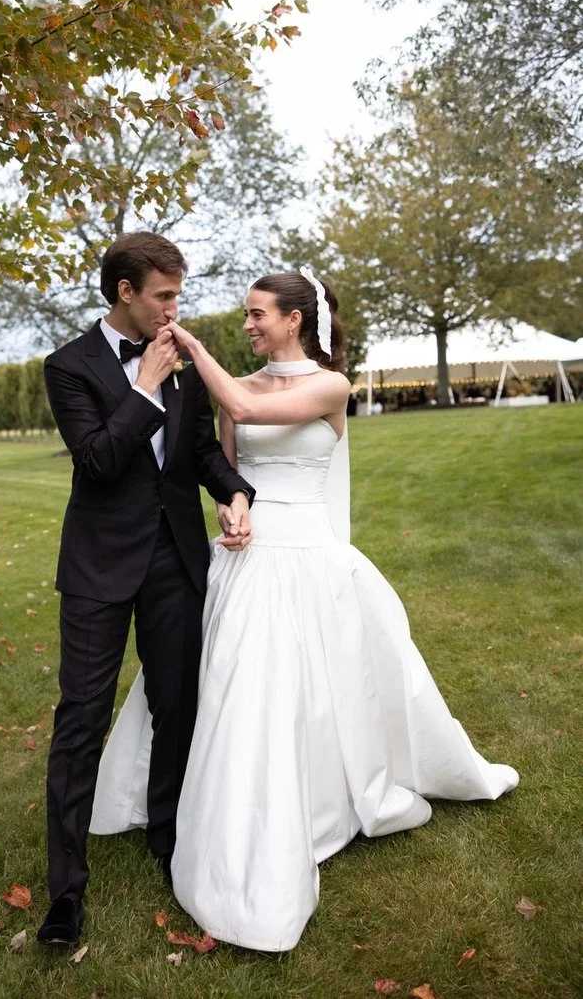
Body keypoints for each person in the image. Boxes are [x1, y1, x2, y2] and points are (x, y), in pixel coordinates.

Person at [90, 269, 519, 952]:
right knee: (239, 689)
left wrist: (194, 353)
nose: (250, 325)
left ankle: (327, 800)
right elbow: (228, 467)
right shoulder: (241, 388)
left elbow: (252, 412)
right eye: (246, 315)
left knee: (322, 688)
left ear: (296, 319)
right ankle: (208, 809)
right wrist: (233, 507)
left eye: (259, 314)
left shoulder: (329, 384)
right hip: (248, 559)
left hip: (312, 557)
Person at [37, 231, 254, 947]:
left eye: (177, 294)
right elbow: (98, 460)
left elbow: (194, 453)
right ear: (124, 291)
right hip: (99, 565)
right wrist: (145, 387)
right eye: (163, 295)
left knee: (178, 706)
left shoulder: (182, 361)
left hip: (175, 560)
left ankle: (168, 840)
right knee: (81, 721)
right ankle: (65, 892)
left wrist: (234, 492)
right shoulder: (67, 367)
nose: (174, 308)